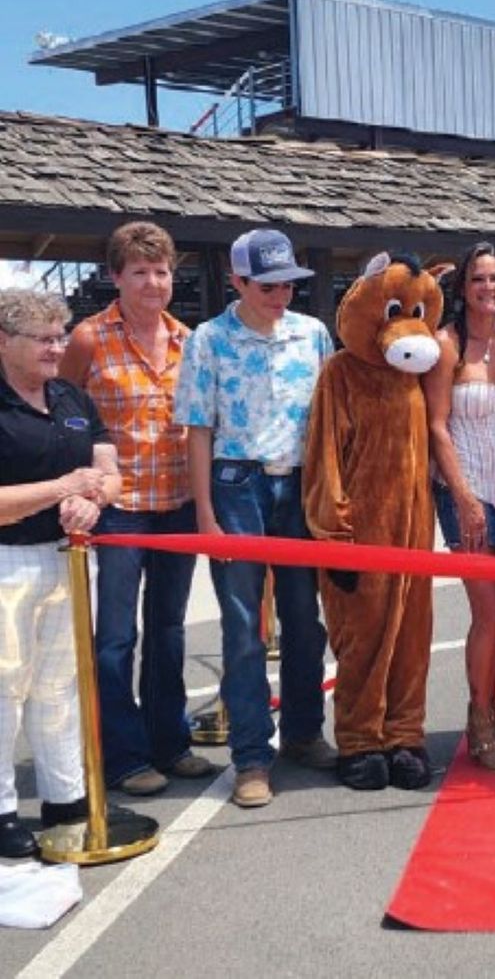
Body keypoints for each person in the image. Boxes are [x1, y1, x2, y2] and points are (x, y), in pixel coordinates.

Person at [174, 228, 337, 808]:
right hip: (237, 481)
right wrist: (207, 516)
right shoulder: (208, 340)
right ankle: (250, 756)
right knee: (243, 627)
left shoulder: (313, 333)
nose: (281, 295)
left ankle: (302, 731)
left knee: (303, 617)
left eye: (288, 284)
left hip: (298, 483)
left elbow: (329, 416)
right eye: (267, 285)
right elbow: (198, 428)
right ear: (237, 281)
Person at [59, 222, 216, 797]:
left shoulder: (187, 339)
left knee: (170, 630)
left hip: (176, 501)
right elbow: (63, 410)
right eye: (140, 272)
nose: (153, 282)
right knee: (116, 636)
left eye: (162, 271)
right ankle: (122, 754)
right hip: (119, 506)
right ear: (116, 277)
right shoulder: (88, 340)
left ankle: (169, 742)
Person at [0, 289, 121, 858]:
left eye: (59, 336)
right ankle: (1, 810)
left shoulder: (71, 396)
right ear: (5, 342)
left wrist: (94, 499)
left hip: (67, 558)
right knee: (5, 689)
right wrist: (61, 490)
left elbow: (108, 468)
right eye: (43, 339)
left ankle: (65, 796)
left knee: (60, 686)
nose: (56, 347)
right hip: (8, 561)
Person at [423, 242, 495, 772]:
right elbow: (436, 425)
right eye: (477, 280)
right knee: (487, 613)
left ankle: (491, 709)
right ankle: (481, 721)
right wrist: (464, 497)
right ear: (461, 287)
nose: (488, 288)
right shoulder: (445, 345)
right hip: (469, 495)